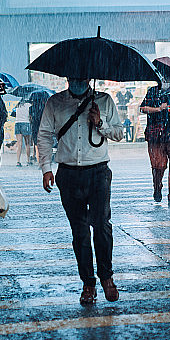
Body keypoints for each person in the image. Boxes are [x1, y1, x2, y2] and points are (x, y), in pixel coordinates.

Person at [38, 78, 124, 305]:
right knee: (80, 231)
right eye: (73, 76)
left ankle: (106, 277)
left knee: (101, 225)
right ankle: (88, 283)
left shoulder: (104, 100)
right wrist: (46, 168)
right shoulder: (54, 102)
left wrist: (100, 123)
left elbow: (119, 133)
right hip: (68, 175)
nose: (77, 80)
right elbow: (44, 135)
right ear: (67, 78)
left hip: (98, 172)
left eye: (82, 77)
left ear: (88, 77)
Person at [140, 84, 170, 206]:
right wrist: (159, 109)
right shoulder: (153, 91)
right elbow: (143, 108)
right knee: (158, 166)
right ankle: (157, 186)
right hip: (156, 135)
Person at [29, 91, 49, 165]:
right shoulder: (45, 108)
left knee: (37, 146)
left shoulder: (31, 108)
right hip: (44, 128)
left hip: (35, 127)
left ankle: (39, 162)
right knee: (44, 145)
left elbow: (30, 119)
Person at [14, 99, 32, 166]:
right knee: (27, 144)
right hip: (26, 123)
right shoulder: (29, 105)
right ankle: (28, 160)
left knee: (19, 144)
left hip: (17, 123)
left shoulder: (17, 105)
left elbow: (13, 114)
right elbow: (30, 116)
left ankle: (18, 161)